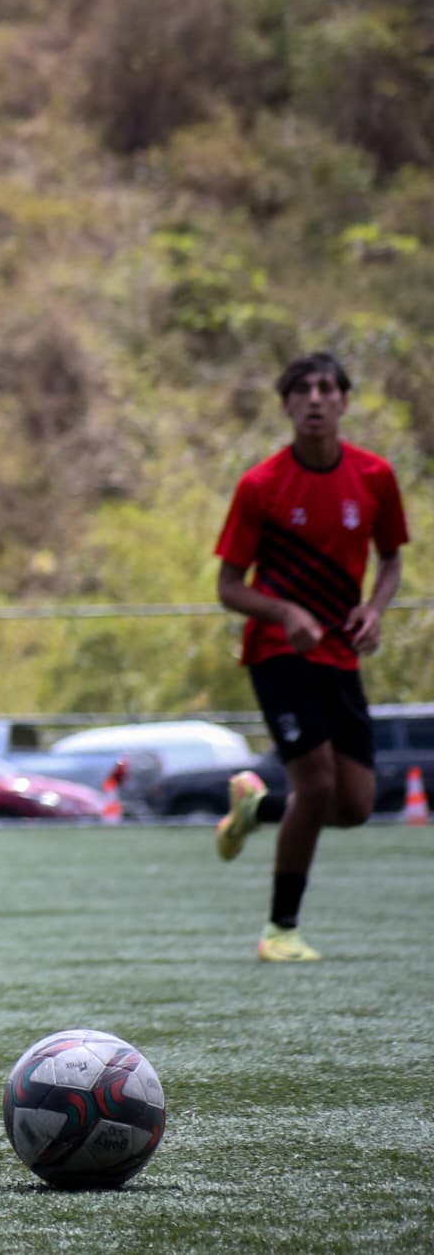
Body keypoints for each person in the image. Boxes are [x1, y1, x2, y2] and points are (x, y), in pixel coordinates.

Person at [211, 351, 408, 963]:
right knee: (317, 784)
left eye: (327, 388)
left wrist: (373, 609)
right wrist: (286, 613)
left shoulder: (375, 476)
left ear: (345, 401)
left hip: (340, 659)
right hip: (277, 653)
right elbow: (228, 585)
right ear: (288, 405)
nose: (316, 399)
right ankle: (279, 931)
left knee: (354, 805)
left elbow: (393, 559)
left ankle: (254, 806)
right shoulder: (261, 486)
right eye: (303, 390)